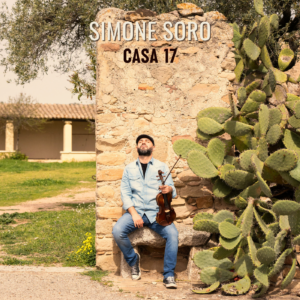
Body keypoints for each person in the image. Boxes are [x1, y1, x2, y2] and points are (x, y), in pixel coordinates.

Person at [112, 134, 178, 289]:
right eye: (140, 142)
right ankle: (133, 261)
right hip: (136, 212)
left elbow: (172, 192)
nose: (143, 143)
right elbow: (125, 194)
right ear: (136, 147)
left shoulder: (162, 167)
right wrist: (134, 214)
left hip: (158, 213)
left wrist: (169, 188)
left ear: (153, 147)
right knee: (117, 231)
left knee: (173, 235)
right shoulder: (129, 169)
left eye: (147, 141)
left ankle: (168, 275)